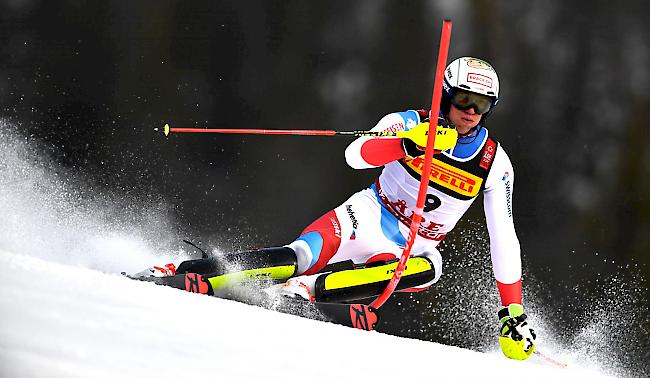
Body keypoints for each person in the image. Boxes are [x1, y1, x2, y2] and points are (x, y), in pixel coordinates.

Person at [135, 57, 536, 360]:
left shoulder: (494, 163)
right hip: (368, 215)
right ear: (447, 95)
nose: (470, 111)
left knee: (431, 267)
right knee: (300, 255)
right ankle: (184, 271)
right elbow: (356, 154)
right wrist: (407, 145)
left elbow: (505, 237)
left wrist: (512, 310)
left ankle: (303, 292)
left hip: (414, 246)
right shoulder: (408, 122)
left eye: (481, 105)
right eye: (464, 100)